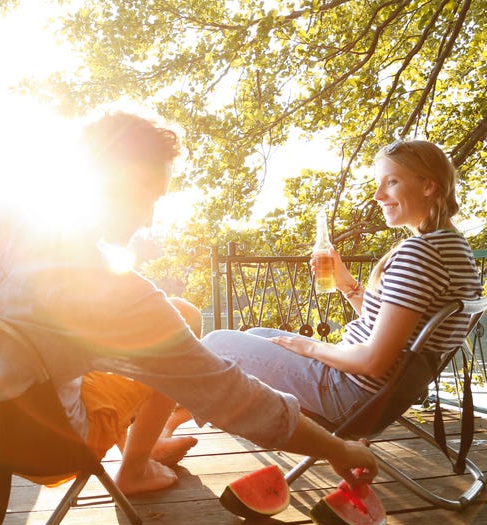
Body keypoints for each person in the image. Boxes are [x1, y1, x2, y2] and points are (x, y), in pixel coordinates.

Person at [0, 110, 376, 497]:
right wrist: (338, 448)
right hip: (43, 443)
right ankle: (135, 469)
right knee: (178, 331)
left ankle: (145, 448)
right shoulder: (109, 289)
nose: (150, 218)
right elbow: (231, 396)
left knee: (182, 314)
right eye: (149, 196)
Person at [165, 139, 483, 436]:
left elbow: (374, 360)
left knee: (217, 342)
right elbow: (397, 330)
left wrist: (311, 348)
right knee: (254, 336)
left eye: (391, 182)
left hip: (349, 394)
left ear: (428, 185)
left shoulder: (421, 254)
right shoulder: (455, 249)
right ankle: (172, 422)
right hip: (380, 392)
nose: (378, 195)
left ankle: (165, 427)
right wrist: (348, 285)